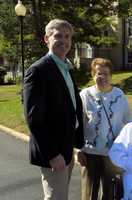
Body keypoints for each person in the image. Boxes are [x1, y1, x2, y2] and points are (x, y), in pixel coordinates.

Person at [23, 19, 84, 200]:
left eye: (67, 37)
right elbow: (34, 119)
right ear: (46, 39)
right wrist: (52, 154)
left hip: (67, 147)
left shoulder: (66, 68)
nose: (64, 41)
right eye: (58, 36)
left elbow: (71, 107)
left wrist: (77, 145)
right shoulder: (38, 70)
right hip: (54, 152)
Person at [77, 58, 132, 200]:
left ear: (111, 75)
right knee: (89, 194)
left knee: (110, 192)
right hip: (90, 153)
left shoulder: (119, 95)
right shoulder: (84, 95)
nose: (102, 77)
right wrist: (78, 150)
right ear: (93, 75)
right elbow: (78, 125)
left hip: (113, 153)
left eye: (106, 74)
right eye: (98, 73)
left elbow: (129, 123)